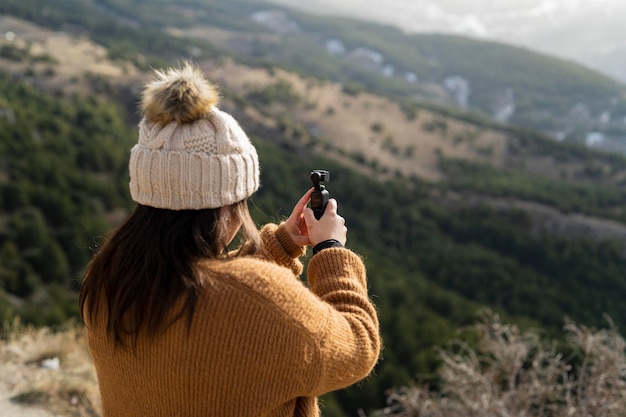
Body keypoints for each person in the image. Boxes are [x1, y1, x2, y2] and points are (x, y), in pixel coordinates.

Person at [79, 63, 381, 417]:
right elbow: (358, 346)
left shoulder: (109, 279)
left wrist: (282, 245)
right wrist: (331, 251)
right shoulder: (257, 299)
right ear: (223, 205)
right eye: (240, 202)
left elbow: (213, 299)